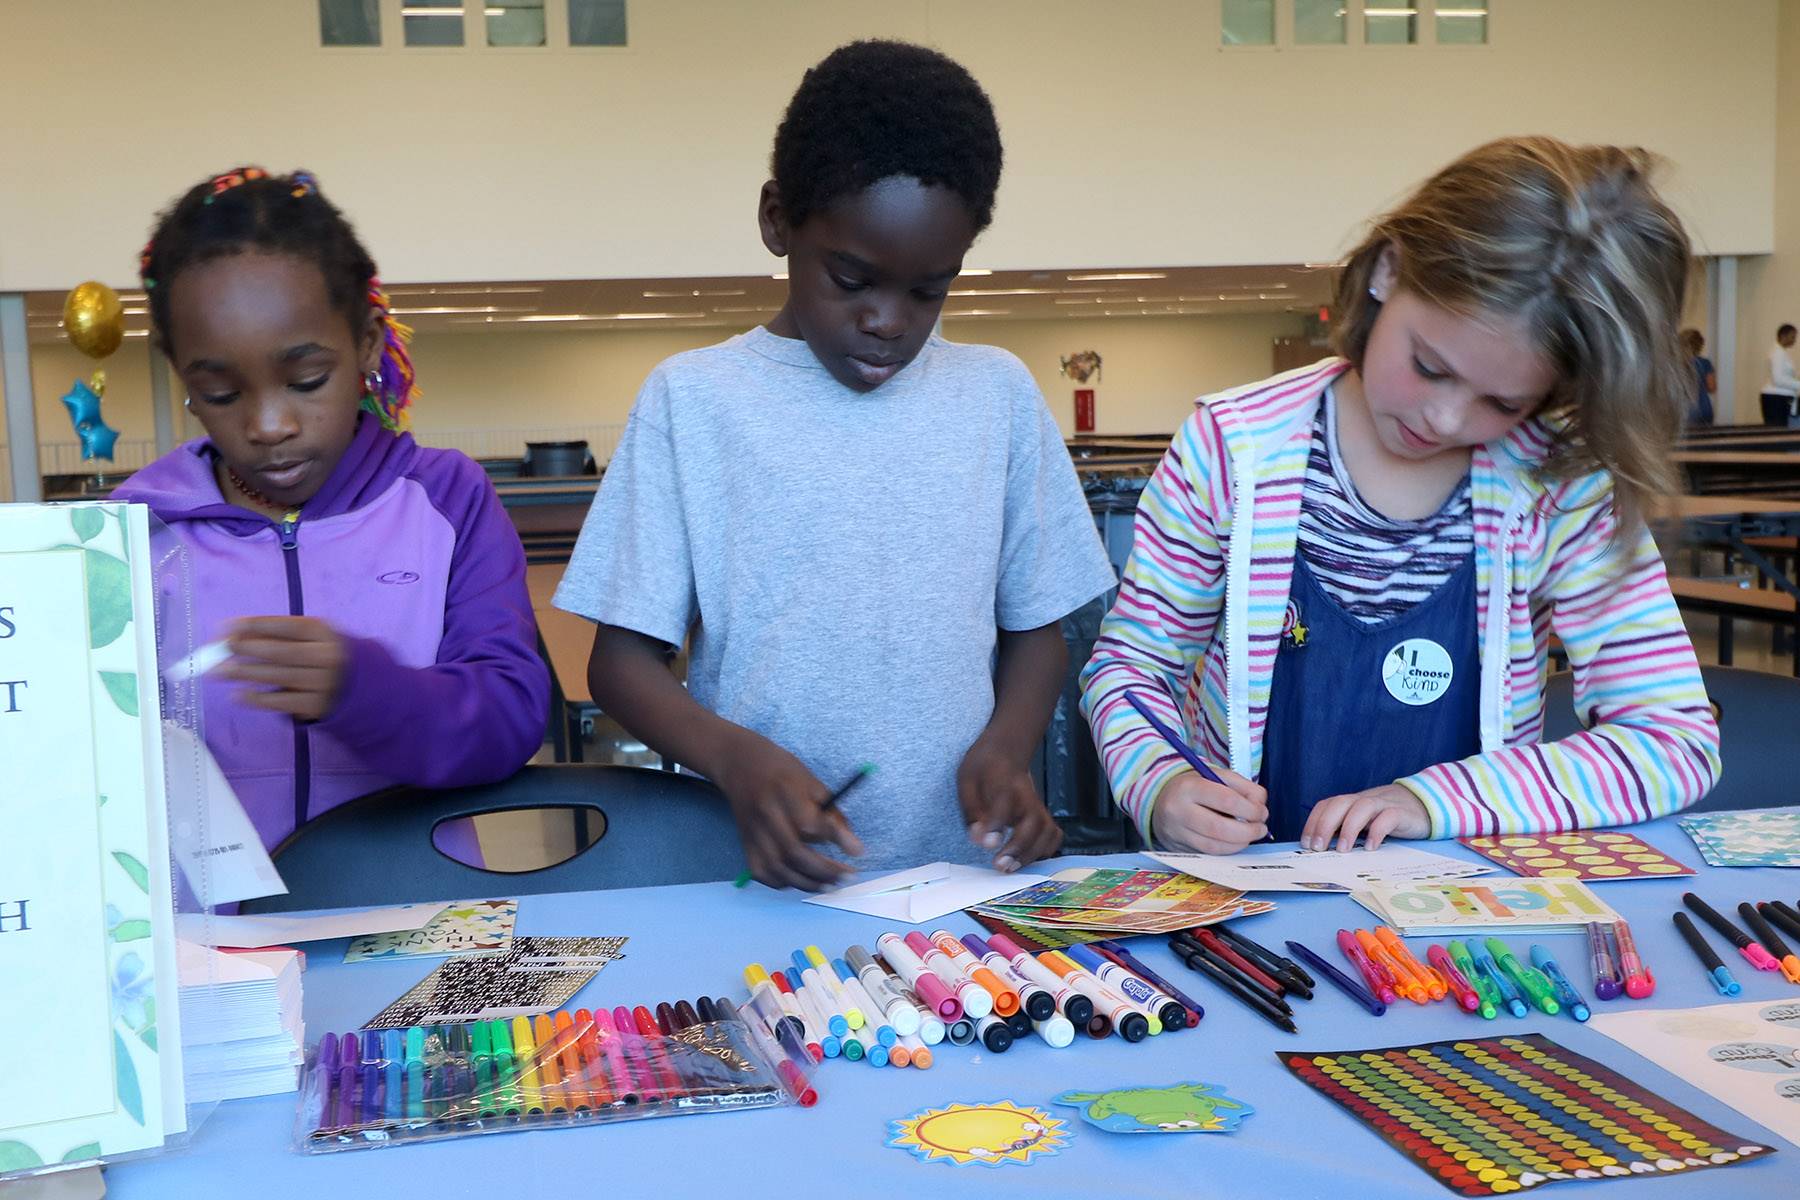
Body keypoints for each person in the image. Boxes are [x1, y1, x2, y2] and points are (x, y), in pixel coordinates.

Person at [554, 41, 1115, 889]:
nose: (888, 320)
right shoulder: (694, 403)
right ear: (779, 220)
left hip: (955, 889)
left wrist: (1006, 751)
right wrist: (736, 759)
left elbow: (1037, 630)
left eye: (930, 290)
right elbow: (621, 663)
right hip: (757, 880)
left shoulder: (996, 395)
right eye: (852, 279)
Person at [1081, 137, 1719, 855]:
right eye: (1429, 365)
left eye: (1503, 404)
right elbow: (1130, 669)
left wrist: (1434, 799)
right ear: (1388, 269)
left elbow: (1671, 743)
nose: (1444, 420)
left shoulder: (1558, 489)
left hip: (1465, 901)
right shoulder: (1231, 449)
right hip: (1248, 896)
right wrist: (1162, 784)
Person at [114, 167, 549, 851]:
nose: (269, 424)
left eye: (306, 380)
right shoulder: (134, 531)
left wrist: (368, 693)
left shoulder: (447, 500)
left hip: (420, 925)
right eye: (222, 393)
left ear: (368, 344)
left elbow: (514, 718)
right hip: (210, 945)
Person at [1763, 324, 1799, 426]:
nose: (1794, 340)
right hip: (1776, 398)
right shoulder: (1777, 353)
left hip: (1781, 397)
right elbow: (1778, 379)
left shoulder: (1782, 352)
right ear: (1783, 336)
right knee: (1777, 433)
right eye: (1792, 337)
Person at [1681, 328, 1715, 426]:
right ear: (1699, 345)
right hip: (1704, 408)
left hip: (1683, 409)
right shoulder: (1705, 363)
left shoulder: (1675, 364)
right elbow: (1712, 387)